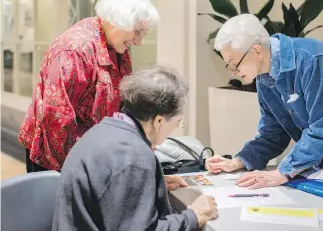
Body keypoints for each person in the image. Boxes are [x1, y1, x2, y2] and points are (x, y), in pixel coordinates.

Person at [52, 66, 218, 231]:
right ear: (159, 121)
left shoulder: (103, 130)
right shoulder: (133, 157)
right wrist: (194, 216)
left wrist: (147, 185)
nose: (176, 128)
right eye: (177, 122)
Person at [205, 14, 323, 189]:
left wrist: (282, 172)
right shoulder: (264, 79)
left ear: (257, 51)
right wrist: (238, 161)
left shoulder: (313, 60)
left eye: (234, 64)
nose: (233, 72)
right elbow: (273, 133)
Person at [18, 0, 160, 172]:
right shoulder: (73, 50)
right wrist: (88, 168)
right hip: (58, 157)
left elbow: (122, 101)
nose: (139, 42)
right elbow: (56, 120)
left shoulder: (116, 45)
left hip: (93, 153)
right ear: (117, 21)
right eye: (137, 32)